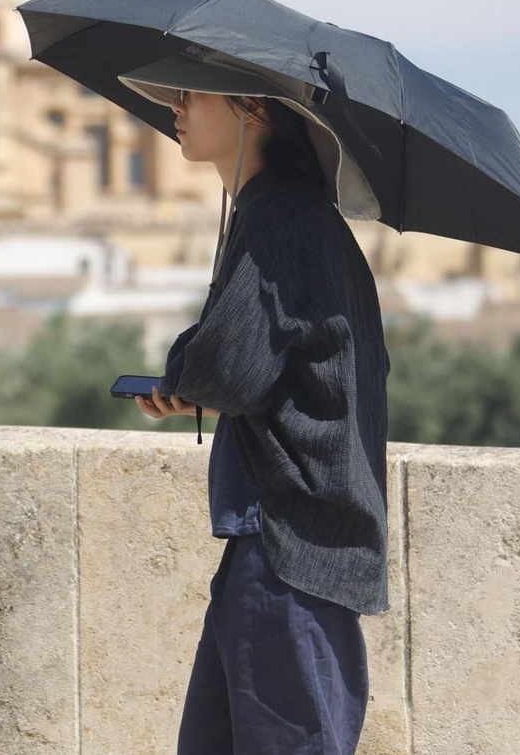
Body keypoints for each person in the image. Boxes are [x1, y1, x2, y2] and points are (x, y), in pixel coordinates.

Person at [137, 85, 390, 755]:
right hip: (283, 545)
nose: (175, 109)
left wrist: (183, 370)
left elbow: (229, 369)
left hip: (289, 552)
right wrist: (191, 371)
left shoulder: (283, 219)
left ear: (252, 108)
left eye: (191, 95)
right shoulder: (286, 216)